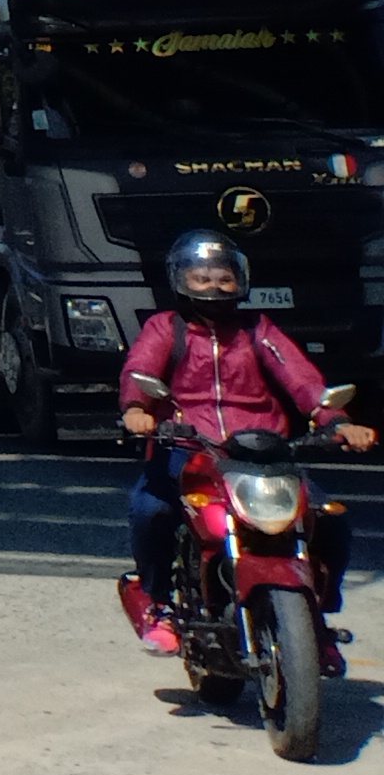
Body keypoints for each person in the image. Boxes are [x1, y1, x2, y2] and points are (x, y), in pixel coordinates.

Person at [117, 228, 374, 663]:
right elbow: (139, 369)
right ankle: (156, 602)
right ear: (181, 280)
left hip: (261, 455)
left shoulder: (259, 330)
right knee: (152, 510)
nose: (215, 286)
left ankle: (317, 620)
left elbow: (302, 378)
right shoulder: (166, 328)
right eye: (202, 278)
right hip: (188, 450)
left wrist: (336, 420)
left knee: (328, 518)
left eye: (224, 277)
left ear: (241, 281)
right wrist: (137, 409)